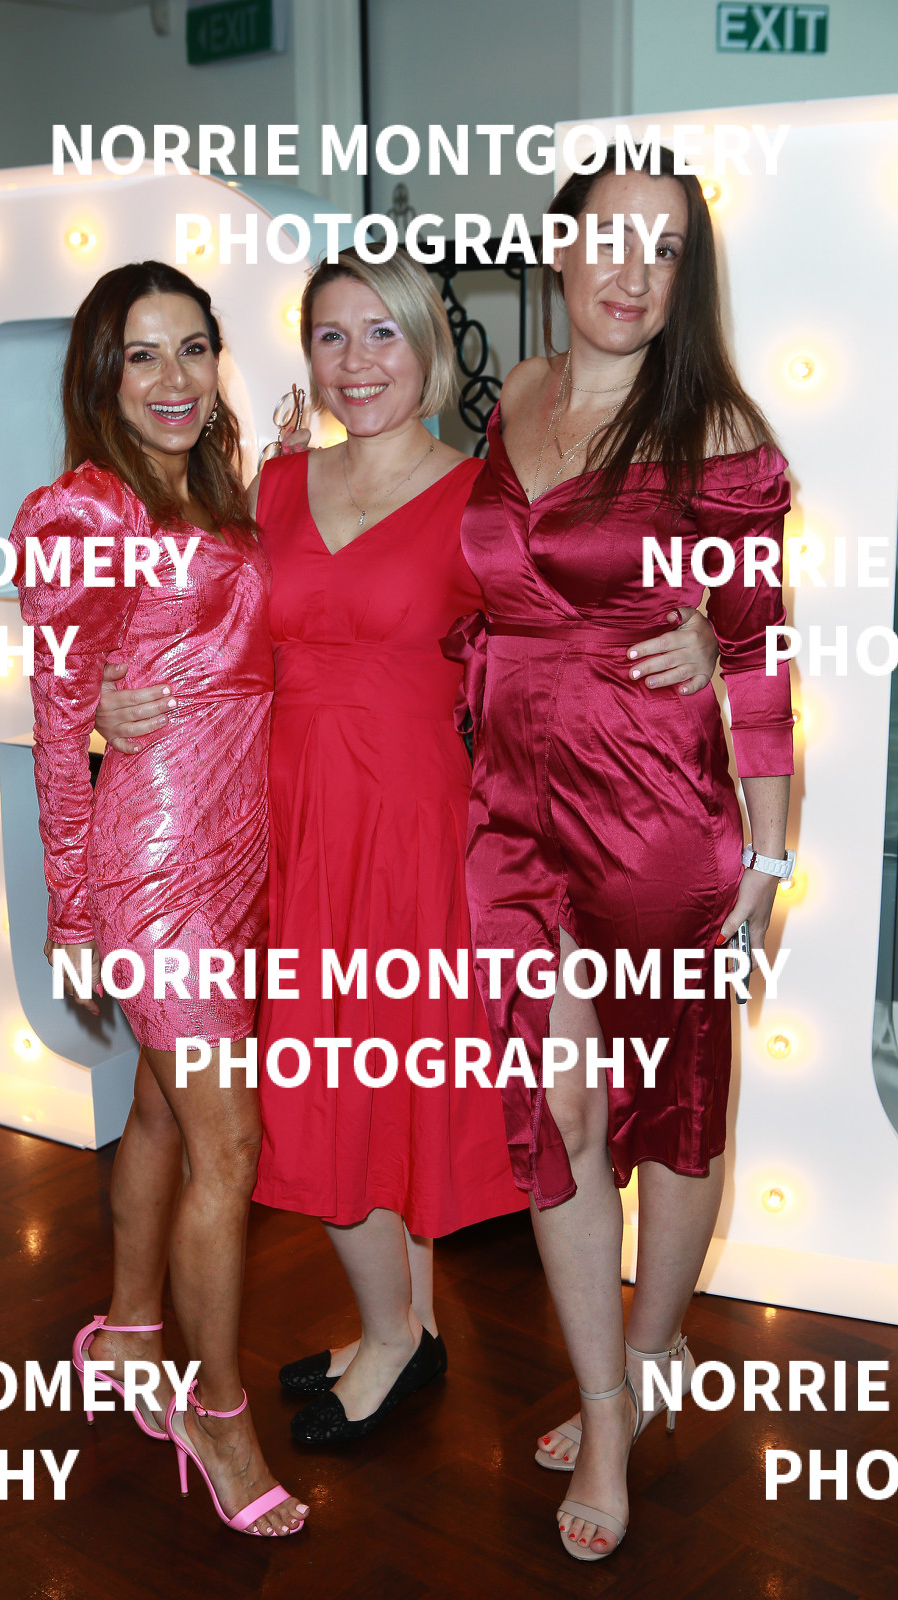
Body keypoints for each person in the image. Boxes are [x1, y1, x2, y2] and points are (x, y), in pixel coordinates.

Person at [95, 248, 721, 1450]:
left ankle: (398, 1341)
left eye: (380, 332)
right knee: (320, 1094)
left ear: (427, 344)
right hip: (282, 834)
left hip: (425, 838)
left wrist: (697, 630)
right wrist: (103, 698)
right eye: (330, 336)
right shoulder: (271, 482)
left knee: (399, 1091)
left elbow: (588, 611)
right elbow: (188, 624)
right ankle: (396, 1325)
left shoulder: (485, 496)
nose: (355, 361)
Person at [456, 149, 794, 1562]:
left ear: (681, 280)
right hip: (505, 815)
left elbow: (760, 657)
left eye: (661, 250)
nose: (629, 271)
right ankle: (604, 1404)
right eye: (607, 237)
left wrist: (767, 864)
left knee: (673, 1105)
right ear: (557, 247)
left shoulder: (713, 428)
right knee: (560, 1112)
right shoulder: (516, 394)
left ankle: (646, 1362)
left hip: (654, 817)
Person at [9, 261, 307, 1538]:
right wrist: (73, 909)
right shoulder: (82, 511)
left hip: (242, 851)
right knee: (228, 1144)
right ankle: (218, 1412)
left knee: (161, 1113)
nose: (174, 378)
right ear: (102, 373)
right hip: (154, 862)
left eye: (193, 348)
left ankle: (129, 1331)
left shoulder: (215, 487)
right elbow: (56, 721)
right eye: (143, 354)